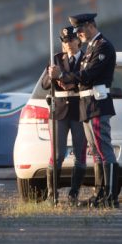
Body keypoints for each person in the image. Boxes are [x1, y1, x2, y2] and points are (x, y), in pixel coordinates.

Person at [67, 13, 119, 208]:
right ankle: (99, 192)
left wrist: (66, 76)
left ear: (90, 26)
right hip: (87, 104)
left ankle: (111, 196)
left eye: (80, 30)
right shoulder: (90, 47)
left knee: (104, 150)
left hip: (98, 104)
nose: (78, 34)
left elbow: (90, 74)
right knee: (96, 151)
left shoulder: (103, 46)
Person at [43, 26, 87, 205]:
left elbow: (84, 79)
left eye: (71, 40)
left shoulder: (86, 58)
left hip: (79, 110)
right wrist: (51, 75)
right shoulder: (56, 59)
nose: (68, 44)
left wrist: (64, 76)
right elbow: (45, 84)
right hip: (59, 111)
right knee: (58, 154)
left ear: (79, 40)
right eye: (65, 41)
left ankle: (73, 193)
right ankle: (51, 195)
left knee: (80, 154)